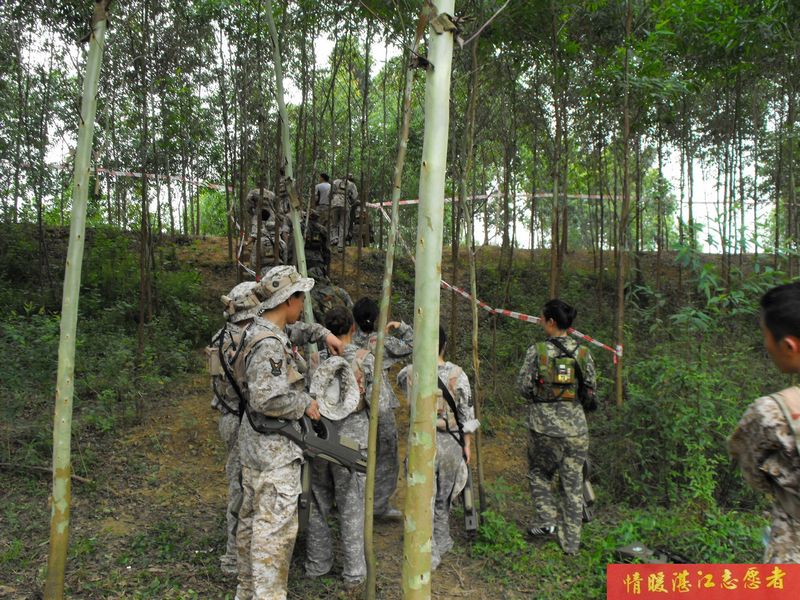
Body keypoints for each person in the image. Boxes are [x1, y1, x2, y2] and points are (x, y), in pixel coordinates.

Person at [234, 265, 344, 600]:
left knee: (251, 525)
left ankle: (248, 591)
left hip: (255, 449)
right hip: (274, 455)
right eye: (301, 299)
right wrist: (304, 403)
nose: (302, 305)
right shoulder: (269, 347)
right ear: (289, 301)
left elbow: (295, 334)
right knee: (273, 536)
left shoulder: (258, 330)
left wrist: (322, 333)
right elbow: (266, 398)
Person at [517, 299, 596, 555]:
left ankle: (547, 520)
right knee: (572, 485)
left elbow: (523, 388)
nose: (540, 322)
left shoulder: (538, 352)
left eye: (542, 318)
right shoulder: (583, 354)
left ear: (551, 322)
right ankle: (570, 544)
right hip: (576, 429)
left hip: (544, 429)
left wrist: (541, 397)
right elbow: (590, 391)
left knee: (539, 474)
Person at [397, 325, 479, 570]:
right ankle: (442, 542)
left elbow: (405, 389)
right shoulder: (459, 375)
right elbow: (467, 416)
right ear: (444, 345)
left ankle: (428, 554)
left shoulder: (409, 373)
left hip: (423, 444)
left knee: (425, 501)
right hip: (452, 444)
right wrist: (467, 446)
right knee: (443, 499)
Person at [729, 282, 800, 563]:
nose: (765, 344)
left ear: (789, 345)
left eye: (765, 335)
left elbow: (752, 471)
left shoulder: (773, 412)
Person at [304, 306, 374, 590]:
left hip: (320, 437)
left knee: (318, 500)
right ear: (353, 329)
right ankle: (355, 573)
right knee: (352, 505)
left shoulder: (314, 359)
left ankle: (317, 564)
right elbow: (381, 404)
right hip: (352, 444)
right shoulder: (366, 359)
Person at [207, 281, 262, 576]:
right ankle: (236, 555)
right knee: (243, 488)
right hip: (244, 419)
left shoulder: (220, 337)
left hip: (228, 417)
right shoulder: (250, 338)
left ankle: (237, 551)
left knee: (238, 484)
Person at [352, 297, 413, 519]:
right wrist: (402, 327)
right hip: (380, 405)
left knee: (359, 454)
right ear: (377, 318)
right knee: (387, 456)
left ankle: (355, 503)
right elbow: (413, 345)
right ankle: (377, 506)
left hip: (356, 408)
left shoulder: (350, 339)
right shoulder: (380, 341)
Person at [245, 187, 283, 268]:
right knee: (273, 236)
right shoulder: (272, 194)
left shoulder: (253, 192)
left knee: (257, 235)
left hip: (260, 213)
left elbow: (248, 204)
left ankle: (255, 262)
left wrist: (252, 213)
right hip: (271, 215)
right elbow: (278, 207)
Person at [329, 174, 357, 252]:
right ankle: (340, 245)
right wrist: (351, 202)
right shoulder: (352, 185)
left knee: (333, 222)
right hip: (345, 204)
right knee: (343, 225)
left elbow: (329, 194)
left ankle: (334, 238)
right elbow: (354, 197)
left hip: (334, 203)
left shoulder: (335, 182)